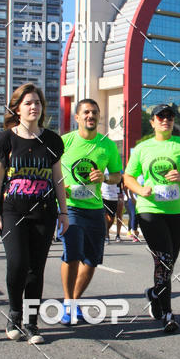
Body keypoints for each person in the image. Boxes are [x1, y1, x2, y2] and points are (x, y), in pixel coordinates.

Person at [0, 83, 68, 344]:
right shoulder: (6, 139)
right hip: (13, 211)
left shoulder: (52, 140)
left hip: (44, 213)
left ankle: (32, 323)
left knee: (36, 268)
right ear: (17, 108)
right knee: (17, 264)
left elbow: (58, 180)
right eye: (28, 103)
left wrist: (64, 212)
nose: (34, 107)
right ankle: (14, 315)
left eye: (37, 102)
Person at [124, 104, 180, 333]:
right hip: (150, 209)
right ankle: (168, 313)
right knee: (164, 259)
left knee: (168, 262)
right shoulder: (142, 148)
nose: (165, 120)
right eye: (160, 117)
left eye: (169, 116)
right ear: (153, 122)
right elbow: (128, 176)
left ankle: (154, 294)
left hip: (177, 212)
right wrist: (139, 190)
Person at [59, 99, 122, 325]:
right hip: (71, 208)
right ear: (77, 117)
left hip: (95, 208)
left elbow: (117, 176)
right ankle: (68, 304)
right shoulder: (64, 142)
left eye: (94, 112)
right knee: (72, 254)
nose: (90, 116)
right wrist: (60, 188)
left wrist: (104, 177)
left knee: (92, 260)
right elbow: (49, 170)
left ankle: (74, 302)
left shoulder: (107, 145)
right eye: (86, 112)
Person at [101, 174, 124, 242]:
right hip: (104, 196)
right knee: (105, 216)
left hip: (116, 196)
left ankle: (117, 235)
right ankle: (106, 235)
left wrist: (123, 195)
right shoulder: (102, 172)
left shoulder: (118, 174)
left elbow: (123, 185)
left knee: (114, 217)